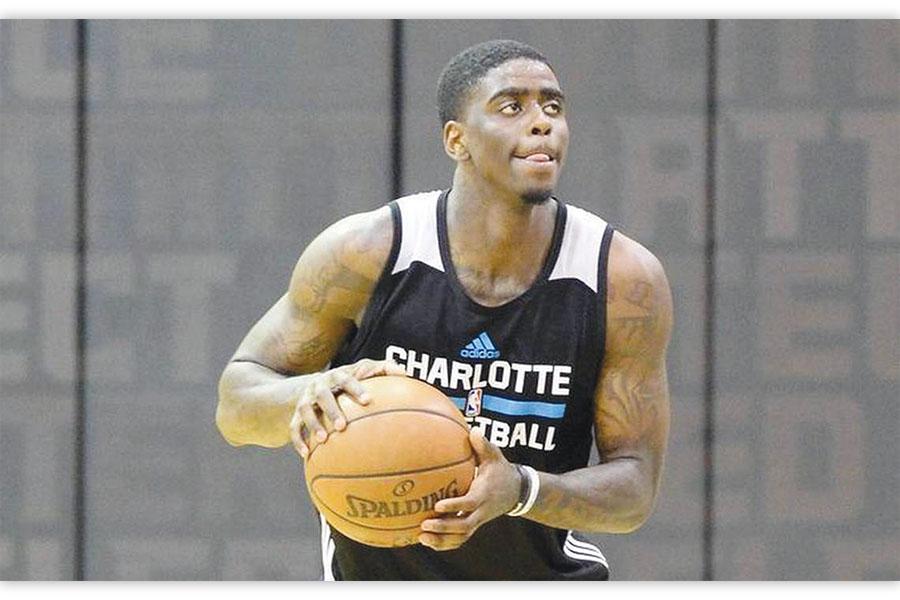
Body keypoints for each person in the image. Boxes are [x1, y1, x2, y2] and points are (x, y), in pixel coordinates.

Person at [216, 39, 672, 581]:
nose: (542, 122)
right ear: (457, 139)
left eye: (553, 106)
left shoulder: (620, 278)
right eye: (512, 106)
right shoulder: (366, 253)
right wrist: (307, 395)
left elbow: (635, 490)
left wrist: (521, 490)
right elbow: (235, 406)